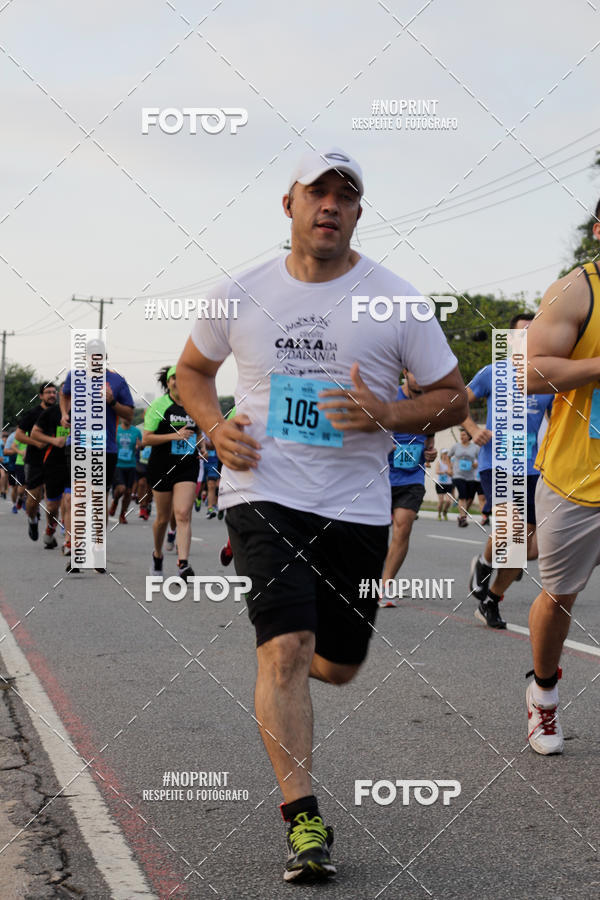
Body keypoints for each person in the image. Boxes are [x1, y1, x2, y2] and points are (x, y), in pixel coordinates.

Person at [176, 146, 467, 884]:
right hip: (262, 490)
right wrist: (213, 425)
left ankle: (316, 640)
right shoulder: (239, 292)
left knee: (335, 666)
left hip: (355, 507)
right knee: (286, 651)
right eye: (318, 193)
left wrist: (392, 412)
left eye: (345, 196)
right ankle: (303, 818)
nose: (330, 205)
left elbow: (454, 398)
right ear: (290, 205)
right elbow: (192, 372)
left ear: (359, 213)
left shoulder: (396, 300)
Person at [521, 244, 600, 755]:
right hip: (577, 480)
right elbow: (528, 372)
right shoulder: (578, 290)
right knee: (558, 596)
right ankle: (543, 692)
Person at [464, 313, 553, 628]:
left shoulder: (546, 380)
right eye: (522, 333)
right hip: (497, 463)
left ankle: (491, 600)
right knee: (511, 530)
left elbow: (560, 425)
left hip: (532, 468)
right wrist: (473, 429)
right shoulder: (492, 373)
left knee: (526, 545)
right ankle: (486, 564)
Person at [379, 370, 437, 608]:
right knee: (374, 534)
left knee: (403, 527)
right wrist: (383, 442)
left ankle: (386, 586)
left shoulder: (432, 402)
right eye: (416, 373)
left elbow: (430, 441)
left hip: (412, 478)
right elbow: (369, 426)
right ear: (405, 373)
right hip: (380, 476)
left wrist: (430, 452)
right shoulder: (388, 397)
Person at [143, 365, 200, 581]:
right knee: (163, 519)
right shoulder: (159, 406)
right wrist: (174, 436)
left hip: (187, 466)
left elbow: (199, 431)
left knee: (183, 514)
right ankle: (157, 555)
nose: (178, 381)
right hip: (162, 466)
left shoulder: (195, 404)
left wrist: (201, 445)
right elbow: (147, 438)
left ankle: (183, 564)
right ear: (168, 383)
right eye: (174, 378)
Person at [15, 383, 58, 541]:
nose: (52, 395)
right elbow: (19, 435)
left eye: (54, 392)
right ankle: (32, 520)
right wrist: (36, 443)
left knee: (53, 503)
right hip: (35, 461)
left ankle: (49, 531)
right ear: (41, 396)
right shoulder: (33, 414)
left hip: (56, 462)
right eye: (48, 392)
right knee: (33, 500)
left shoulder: (61, 413)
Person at [30, 402, 70, 550]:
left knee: (69, 499)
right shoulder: (51, 412)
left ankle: (69, 539)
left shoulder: (83, 412)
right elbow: (34, 433)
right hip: (53, 463)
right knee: (52, 506)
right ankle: (51, 525)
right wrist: (54, 441)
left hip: (75, 462)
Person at [110, 421, 142, 523]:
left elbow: (141, 447)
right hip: (118, 464)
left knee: (128, 492)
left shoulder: (136, 431)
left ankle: (122, 514)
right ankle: (115, 502)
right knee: (121, 488)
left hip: (131, 465)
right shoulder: (116, 429)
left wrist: (140, 446)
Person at [449, 428, 479, 527]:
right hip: (458, 474)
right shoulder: (456, 446)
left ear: (469, 436)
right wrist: (450, 469)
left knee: (470, 498)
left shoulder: (475, 447)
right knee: (462, 496)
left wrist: (476, 464)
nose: (462, 437)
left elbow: (480, 459)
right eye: (461, 435)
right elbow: (448, 457)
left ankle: (463, 514)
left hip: (470, 476)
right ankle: (463, 518)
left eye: (464, 435)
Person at [434, 449, 454, 519]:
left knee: (448, 501)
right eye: (444, 454)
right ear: (441, 455)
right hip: (440, 483)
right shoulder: (439, 462)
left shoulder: (451, 463)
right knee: (441, 501)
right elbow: (436, 471)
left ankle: (444, 512)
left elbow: (453, 473)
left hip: (449, 484)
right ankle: (439, 514)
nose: (445, 455)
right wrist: (444, 472)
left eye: (446, 454)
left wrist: (450, 472)